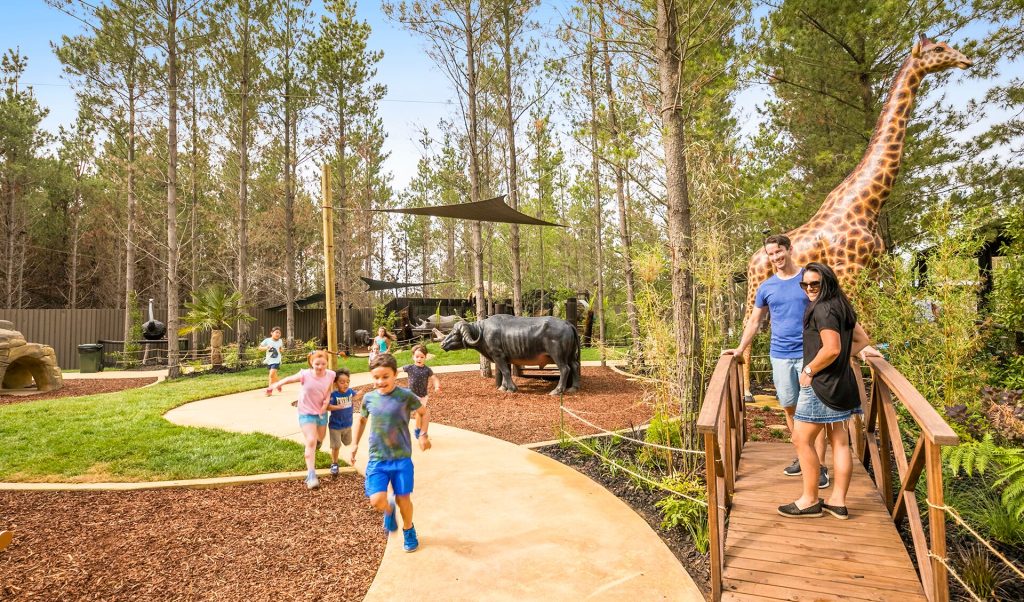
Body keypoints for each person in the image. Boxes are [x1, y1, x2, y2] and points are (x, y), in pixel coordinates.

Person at [777, 262, 880, 519]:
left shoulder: (822, 309)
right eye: (805, 284)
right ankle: (837, 502)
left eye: (815, 284)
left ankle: (809, 500)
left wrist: (809, 370)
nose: (810, 289)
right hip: (843, 383)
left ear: (827, 283)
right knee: (840, 443)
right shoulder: (842, 306)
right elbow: (862, 340)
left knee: (801, 440)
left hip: (821, 386)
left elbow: (832, 348)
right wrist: (845, 360)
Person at [726, 235, 828, 486]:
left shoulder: (808, 278)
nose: (776, 257)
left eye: (779, 252)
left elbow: (830, 308)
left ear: (789, 250)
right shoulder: (767, 287)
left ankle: (821, 466)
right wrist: (740, 348)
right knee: (790, 408)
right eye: (771, 254)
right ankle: (803, 456)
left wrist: (860, 345)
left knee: (815, 413)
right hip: (780, 355)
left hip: (810, 355)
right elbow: (754, 321)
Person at [350, 353, 432, 553]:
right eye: (376, 377)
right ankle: (389, 509)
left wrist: (423, 435)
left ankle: (408, 529)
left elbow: (424, 412)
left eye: (385, 376)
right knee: (376, 499)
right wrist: (354, 444)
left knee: (404, 498)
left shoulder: (405, 396)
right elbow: (361, 421)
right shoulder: (369, 398)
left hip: (401, 458)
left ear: (395, 375)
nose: (380, 381)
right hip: (377, 459)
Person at [269, 350, 335, 490]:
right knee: (311, 440)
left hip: (321, 412)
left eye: (323, 363)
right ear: (311, 362)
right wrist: (277, 384)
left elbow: (329, 389)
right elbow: (289, 379)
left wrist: (326, 401)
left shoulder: (331, 374)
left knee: (320, 438)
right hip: (305, 412)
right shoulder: (305, 374)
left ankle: (315, 445)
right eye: (317, 363)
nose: (320, 366)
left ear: (327, 363)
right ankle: (311, 475)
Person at [402, 344, 441, 440]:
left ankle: (417, 430)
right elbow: (397, 370)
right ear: (413, 357)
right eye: (417, 357)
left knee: (420, 413)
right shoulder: (409, 367)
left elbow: (434, 378)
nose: (419, 359)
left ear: (425, 357)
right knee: (406, 412)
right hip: (411, 395)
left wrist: (437, 386)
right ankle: (402, 430)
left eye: (422, 357)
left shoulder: (427, 370)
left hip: (423, 396)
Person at [327, 368, 360, 476]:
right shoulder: (334, 395)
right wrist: (337, 407)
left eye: (347, 382)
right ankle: (334, 464)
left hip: (347, 425)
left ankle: (340, 441)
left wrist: (361, 393)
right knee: (336, 446)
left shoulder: (350, 392)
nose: (345, 384)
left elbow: (356, 397)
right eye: (342, 382)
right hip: (335, 426)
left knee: (348, 442)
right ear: (336, 383)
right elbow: (327, 407)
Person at [258, 327, 285, 396]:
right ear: (271, 333)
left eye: (279, 333)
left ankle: (269, 391)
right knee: (274, 375)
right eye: (276, 332)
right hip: (269, 360)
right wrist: (265, 347)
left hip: (276, 360)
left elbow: (281, 349)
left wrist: (282, 350)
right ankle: (279, 385)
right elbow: (259, 348)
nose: (278, 334)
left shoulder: (280, 341)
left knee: (271, 375)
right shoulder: (267, 340)